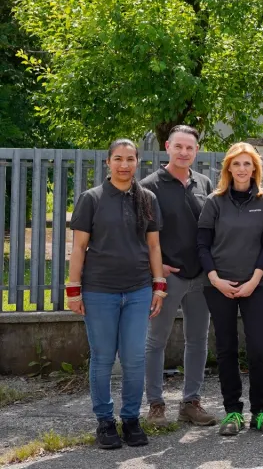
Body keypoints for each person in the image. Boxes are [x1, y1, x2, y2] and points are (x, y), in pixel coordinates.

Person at [69, 138, 164, 449]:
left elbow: (153, 246)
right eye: (118, 159)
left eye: (130, 159)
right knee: (103, 358)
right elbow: (79, 247)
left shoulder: (147, 198)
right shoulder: (91, 199)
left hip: (138, 290)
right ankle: (105, 422)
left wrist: (158, 285)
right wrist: (74, 290)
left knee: (135, 359)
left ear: (137, 162)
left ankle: (131, 419)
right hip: (99, 292)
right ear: (107, 162)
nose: (124, 165)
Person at [197, 142, 263, 436]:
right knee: (226, 348)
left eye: (248, 164)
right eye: (237, 164)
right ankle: (232, 411)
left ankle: (260, 411)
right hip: (219, 285)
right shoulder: (214, 202)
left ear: (255, 168)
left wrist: (255, 280)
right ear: (229, 168)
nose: (242, 169)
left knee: (259, 348)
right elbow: (202, 245)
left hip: (256, 284)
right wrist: (216, 279)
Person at [142, 125, 217, 429]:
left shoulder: (204, 183)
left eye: (190, 148)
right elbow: (142, 235)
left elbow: (212, 228)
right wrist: (157, 270)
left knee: (197, 340)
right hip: (168, 277)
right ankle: (156, 405)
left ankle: (191, 403)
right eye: (179, 147)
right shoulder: (150, 186)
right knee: (155, 341)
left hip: (200, 276)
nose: (184, 153)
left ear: (196, 151)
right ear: (167, 147)